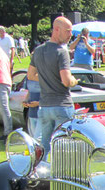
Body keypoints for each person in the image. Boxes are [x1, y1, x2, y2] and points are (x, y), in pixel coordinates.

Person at [27, 16, 78, 157]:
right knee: (64, 146)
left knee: (44, 144)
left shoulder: (38, 51)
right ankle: (63, 175)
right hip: (62, 105)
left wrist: (46, 78)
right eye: (68, 31)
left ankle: (42, 172)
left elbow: (31, 75)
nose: (70, 35)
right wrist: (74, 80)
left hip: (44, 107)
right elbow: (66, 81)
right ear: (56, 29)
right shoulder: (62, 52)